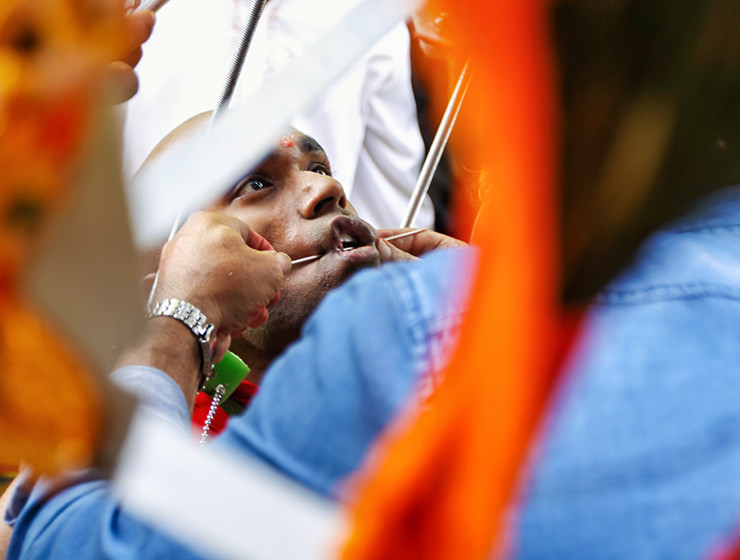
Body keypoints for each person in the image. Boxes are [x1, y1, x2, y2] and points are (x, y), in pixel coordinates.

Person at [122, 0, 434, 230]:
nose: (324, 187)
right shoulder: (114, 15)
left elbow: (394, 219)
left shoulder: (372, 14)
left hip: (317, 301)